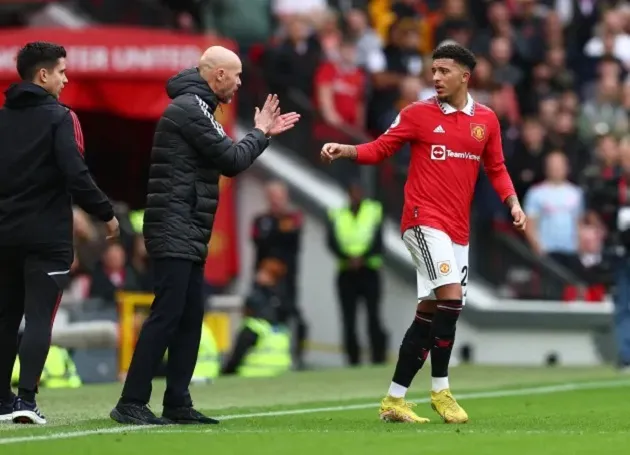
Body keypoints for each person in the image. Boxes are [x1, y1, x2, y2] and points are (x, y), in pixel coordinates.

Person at [320, 43, 526, 424]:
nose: (435, 77)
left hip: (457, 230)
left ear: (466, 76)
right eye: (433, 70)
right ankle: (441, 391)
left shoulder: (487, 120)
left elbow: (496, 168)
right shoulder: (416, 114)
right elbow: (381, 149)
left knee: (430, 314)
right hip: (422, 220)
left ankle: (394, 399)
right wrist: (346, 149)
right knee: (451, 299)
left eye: (444, 71)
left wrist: (512, 202)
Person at [110, 46, 300, 426]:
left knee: (189, 315)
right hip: (174, 224)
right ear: (218, 77)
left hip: (187, 226)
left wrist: (262, 135)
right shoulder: (190, 109)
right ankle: (131, 401)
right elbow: (231, 160)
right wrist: (261, 132)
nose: (241, 81)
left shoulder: (197, 107)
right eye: (237, 74)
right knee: (167, 314)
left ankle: (177, 401)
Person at [0, 42, 119, 425]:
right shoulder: (61, 118)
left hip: (3, 235)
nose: (67, 79)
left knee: (4, 318)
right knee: (38, 319)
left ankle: (2, 401)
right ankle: (25, 401)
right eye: (63, 72)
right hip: (46, 237)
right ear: (43, 75)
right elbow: (76, 173)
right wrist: (105, 213)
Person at [326, 182, 387, 366]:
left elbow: (378, 240)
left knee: (373, 317)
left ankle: (378, 358)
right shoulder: (337, 213)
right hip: (346, 272)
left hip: (369, 270)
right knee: (349, 319)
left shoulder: (374, 210)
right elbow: (332, 241)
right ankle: (353, 360)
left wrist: (362, 257)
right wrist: (347, 258)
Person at [251, 181, 307, 369]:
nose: (276, 201)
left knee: (294, 320)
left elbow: (292, 243)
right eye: (272, 197)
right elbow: (260, 242)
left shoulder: (294, 218)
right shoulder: (260, 220)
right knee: (260, 320)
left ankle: (296, 359)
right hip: (263, 282)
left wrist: (276, 235)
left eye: (279, 197)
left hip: (286, 282)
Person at [221, 256, 292, 376]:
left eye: (263, 272)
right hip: (280, 373)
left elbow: (237, 356)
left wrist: (225, 372)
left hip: (252, 373)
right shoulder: (280, 326)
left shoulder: (254, 325)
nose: (259, 275)